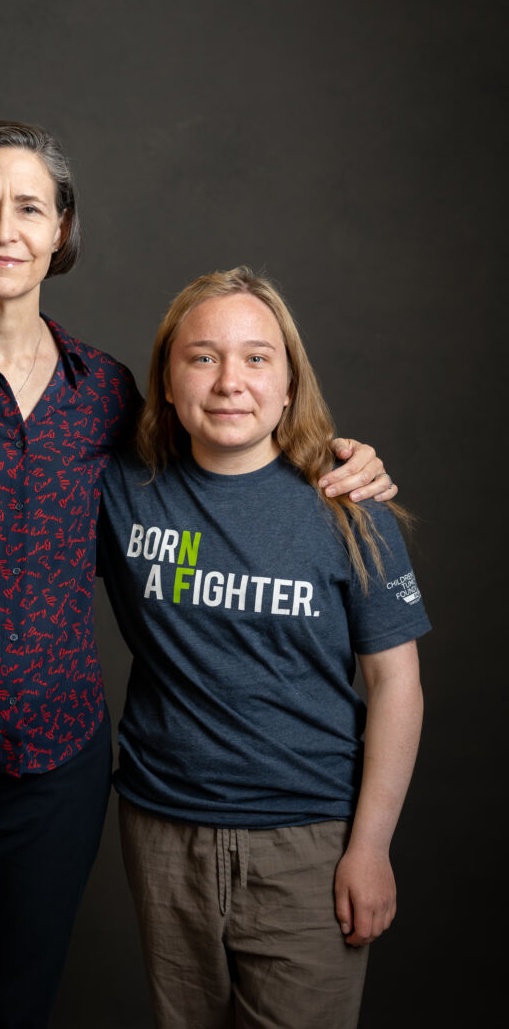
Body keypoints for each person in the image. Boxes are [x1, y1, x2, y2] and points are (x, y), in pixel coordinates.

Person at [0, 123, 396, 1029]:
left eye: (30, 207)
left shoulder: (107, 393)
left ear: (59, 230)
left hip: (57, 768)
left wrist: (337, 456)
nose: (6, 228)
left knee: (18, 1006)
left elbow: (222, 445)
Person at [97, 266, 429, 1029]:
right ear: (169, 382)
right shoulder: (120, 489)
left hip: (309, 841)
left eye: (256, 357)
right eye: (202, 357)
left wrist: (371, 847)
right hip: (161, 831)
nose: (228, 382)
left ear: (289, 386)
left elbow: (396, 686)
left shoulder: (349, 508)